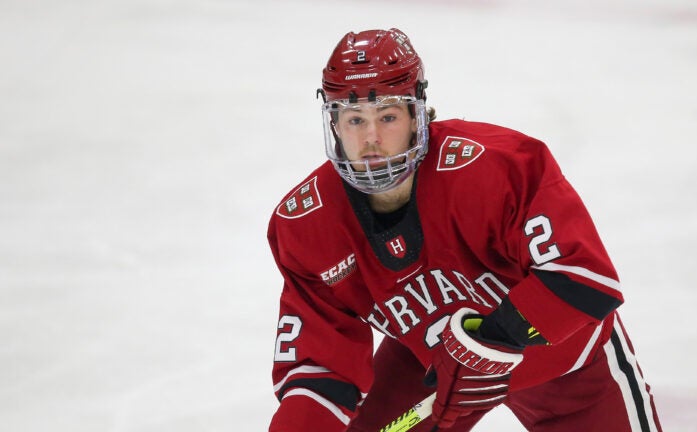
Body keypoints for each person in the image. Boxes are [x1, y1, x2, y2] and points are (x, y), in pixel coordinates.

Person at [267, 28, 663, 432]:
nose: (371, 139)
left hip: (566, 365)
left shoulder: (492, 167)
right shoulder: (307, 224)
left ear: (417, 114)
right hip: (432, 372)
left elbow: (584, 277)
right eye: (354, 119)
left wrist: (494, 338)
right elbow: (319, 373)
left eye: (387, 116)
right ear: (333, 124)